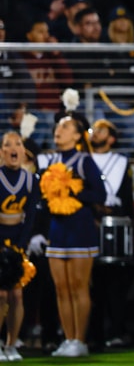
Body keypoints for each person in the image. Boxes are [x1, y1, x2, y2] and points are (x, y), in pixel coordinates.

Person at [37, 112, 106, 358]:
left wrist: (70, 191)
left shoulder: (84, 161)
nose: (59, 130)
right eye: (58, 126)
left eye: (65, 127)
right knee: (61, 288)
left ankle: (80, 339)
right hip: (56, 229)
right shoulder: (48, 160)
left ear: (77, 135)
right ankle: (67, 338)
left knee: (78, 286)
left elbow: (100, 195)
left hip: (80, 228)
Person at [87, 119, 134, 348]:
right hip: (90, 226)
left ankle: (117, 330)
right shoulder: (83, 160)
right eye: (94, 130)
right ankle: (94, 333)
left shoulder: (121, 163)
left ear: (112, 138)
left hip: (116, 227)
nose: (95, 133)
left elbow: (126, 198)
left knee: (116, 283)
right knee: (92, 283)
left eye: (101, 130)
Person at [0, 131, 41, 362]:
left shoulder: (30, 180)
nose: (14, 148)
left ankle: (11, 344)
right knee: (0, 295)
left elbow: (31, 216)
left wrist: (20, 245)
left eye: (18, 144)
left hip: (17, 239)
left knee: (16, 295)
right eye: (8, 144)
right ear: (2, 151)